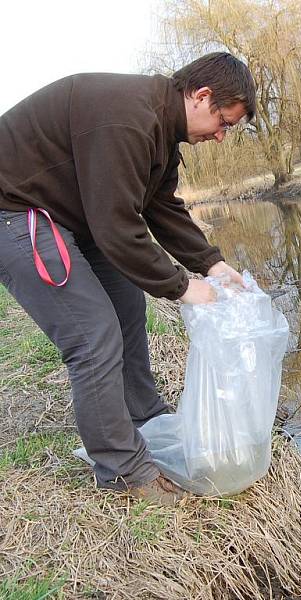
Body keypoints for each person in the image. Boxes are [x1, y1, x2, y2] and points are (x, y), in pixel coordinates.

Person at [0, 52, 256, 505]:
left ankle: (146, 419)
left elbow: (160, 206)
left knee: (127, 306)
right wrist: (182, 287)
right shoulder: (129, 120)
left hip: (72, 215)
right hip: (17, 212)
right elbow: (117, 228)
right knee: (93, 333)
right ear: (201, 95)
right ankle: (124, 472)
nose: (220, 136)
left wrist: (211, 265)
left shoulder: (161, 132)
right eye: (223, 122)